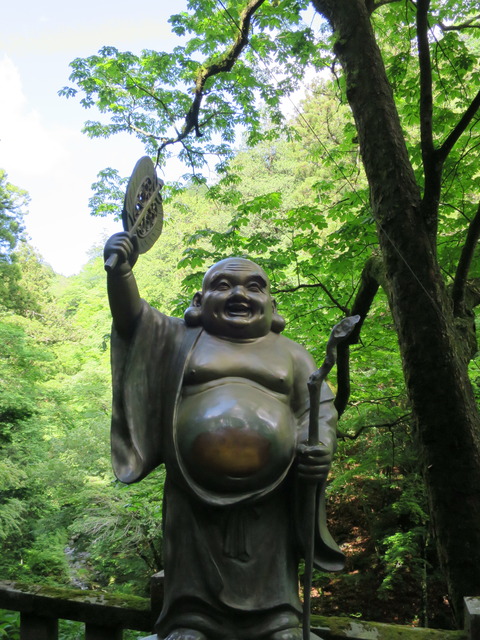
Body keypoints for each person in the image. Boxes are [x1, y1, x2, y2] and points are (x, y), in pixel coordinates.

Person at [104, 232, 345, 640]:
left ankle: (279, 621)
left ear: (272, 306)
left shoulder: (291, 353)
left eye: (255, 287)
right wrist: (121, 271)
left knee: (273, 584)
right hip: (192, 493)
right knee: (192, 589)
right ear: (198, 303)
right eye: (223, 285)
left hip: (272, 494)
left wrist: (319, 448)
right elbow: (133, 320)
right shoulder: (179, 339)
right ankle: (189, 621)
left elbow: (318, 408)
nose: (240, 294)